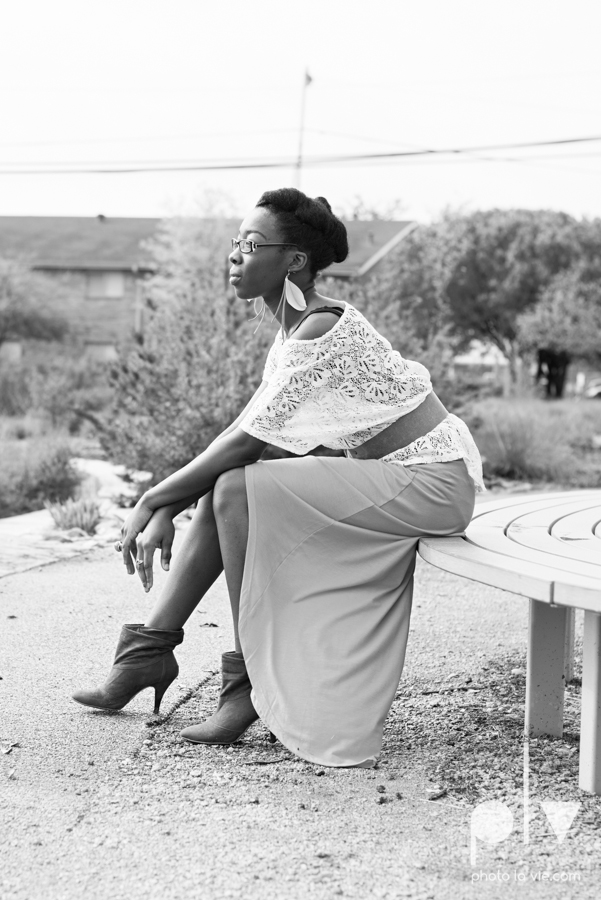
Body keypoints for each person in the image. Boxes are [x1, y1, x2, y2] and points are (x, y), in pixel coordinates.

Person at [73, 188, 484, 769]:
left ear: (293, 261)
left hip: (430, 483)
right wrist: (169, 502)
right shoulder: (291, 335)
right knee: (233, 486)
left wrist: (152, 499)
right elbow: (246, 438)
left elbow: (245, 442)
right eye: (234, 243)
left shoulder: (323, 329)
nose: (236, 255)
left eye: (251, 243)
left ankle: (244, 684)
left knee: (237, 484)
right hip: (391, 477)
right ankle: (148, 651)